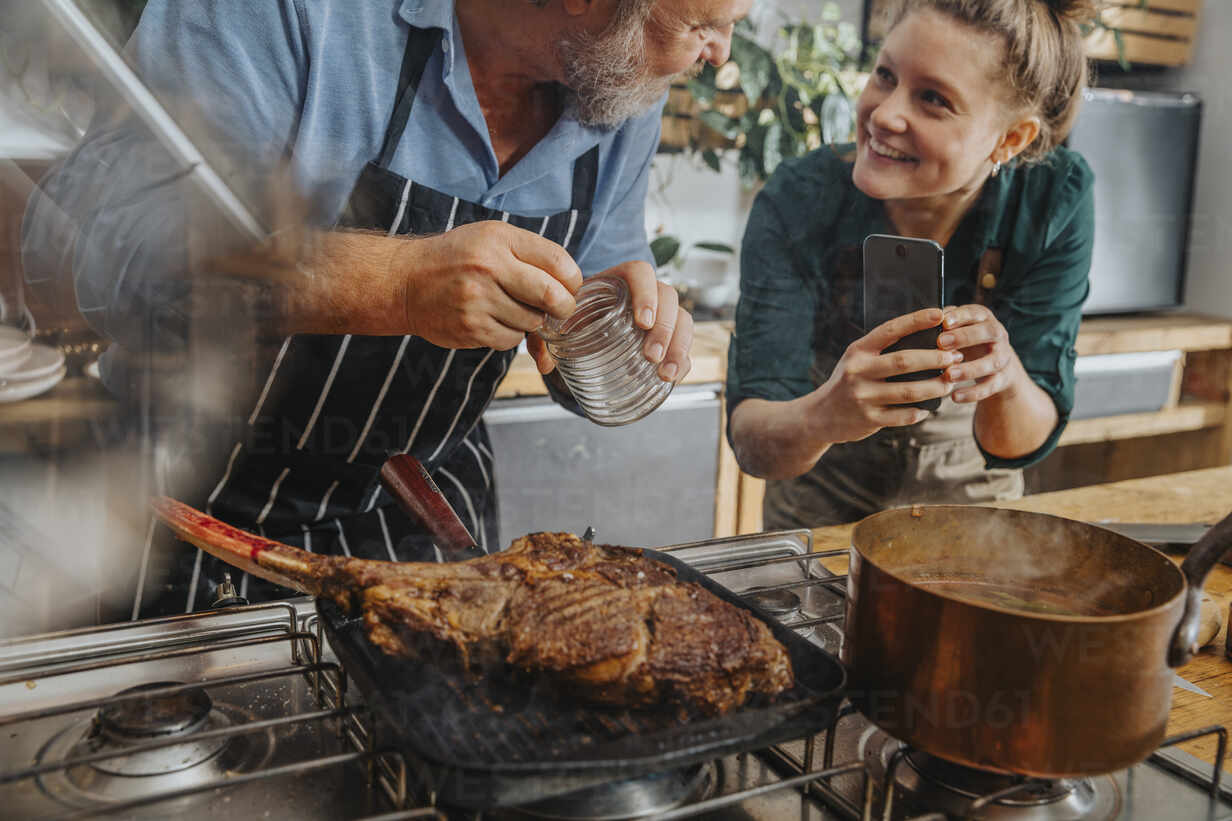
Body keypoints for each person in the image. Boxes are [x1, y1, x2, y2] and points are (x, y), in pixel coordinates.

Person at [22, 0, 751, 617]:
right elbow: (108, 244)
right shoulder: (293, 15)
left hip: (419, 529)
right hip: (183, 519)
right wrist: (394, 283)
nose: (719, 55)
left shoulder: (614, 95)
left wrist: (615, 334)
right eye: (702, 24)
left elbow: (591, 295)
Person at [727, 0, 1095, 529]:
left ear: (1011, 139)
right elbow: (753, 444)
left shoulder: (1053, 196)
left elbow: (1019, 444)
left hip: (968, 527)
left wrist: (1005, 374)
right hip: (816, 523)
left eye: (933, 99)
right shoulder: (802, 195)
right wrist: (825, 415)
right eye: (885, 75)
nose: (882, 114)